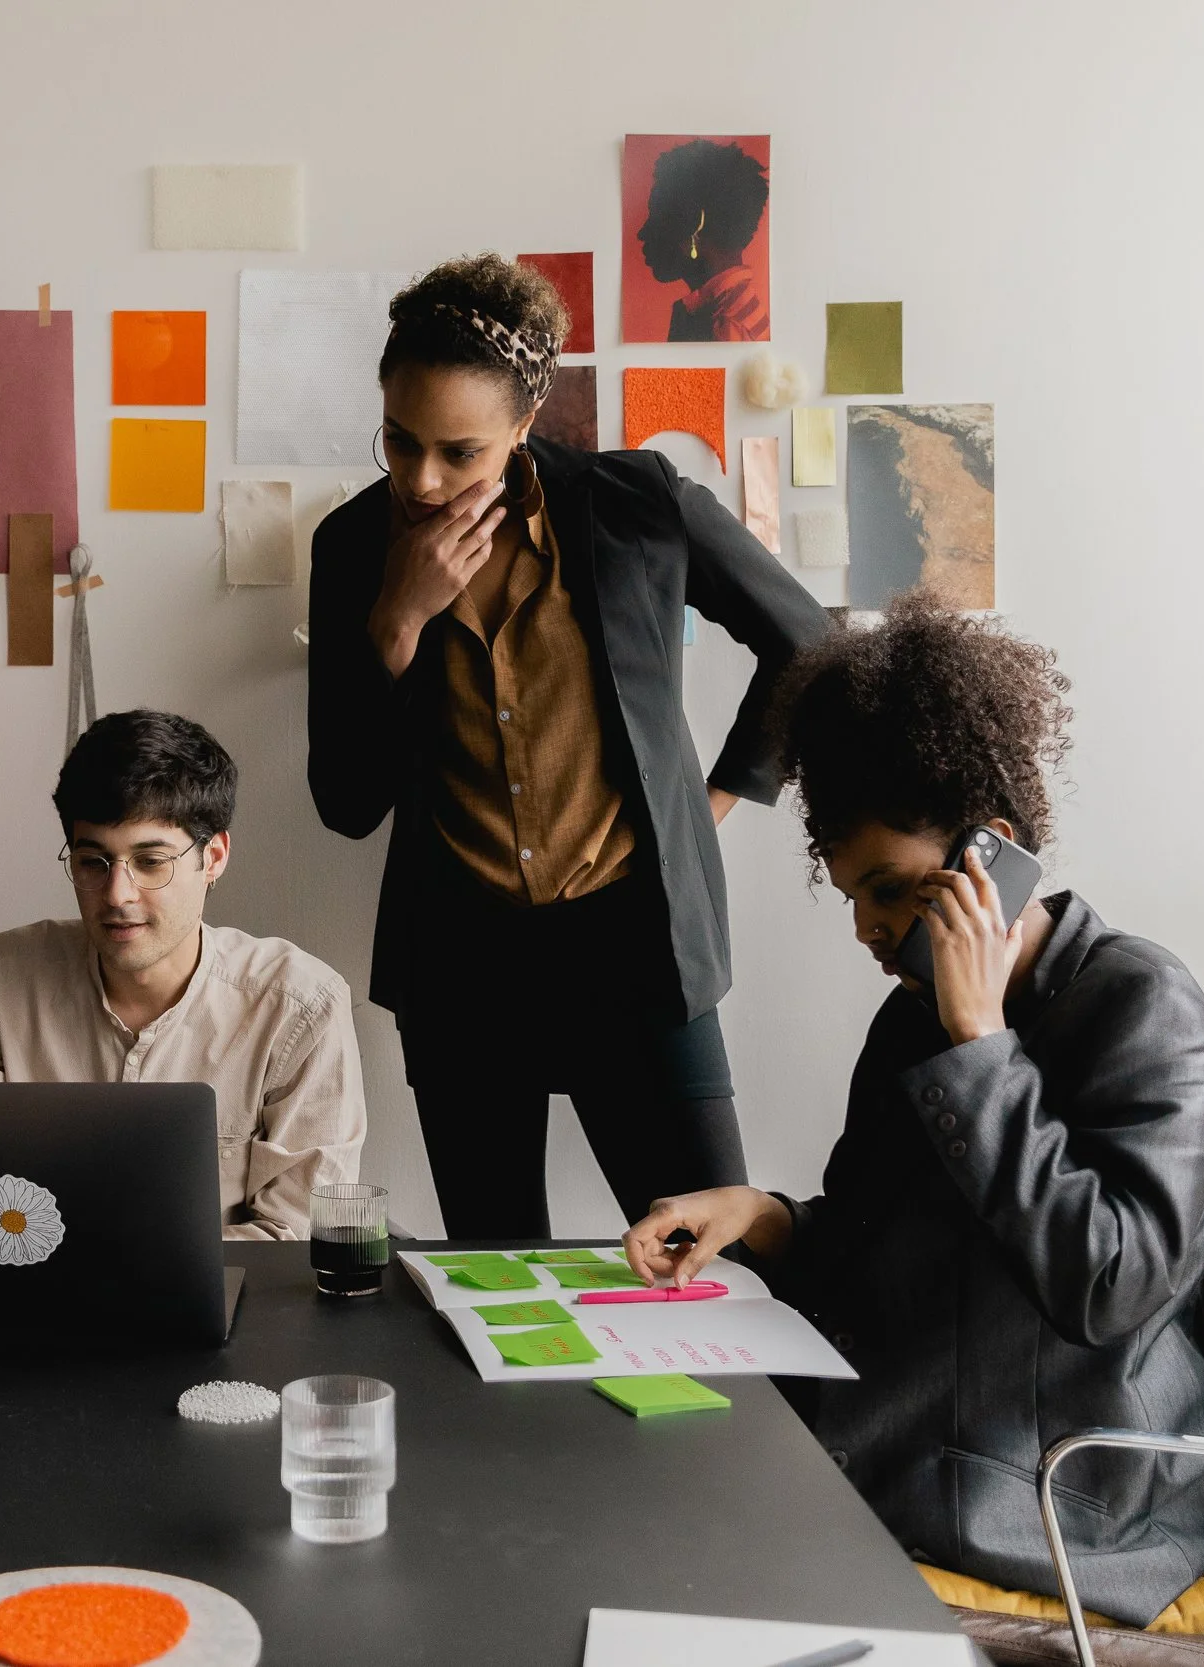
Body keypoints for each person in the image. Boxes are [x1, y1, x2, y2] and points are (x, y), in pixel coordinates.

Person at [621, 596, 1204, 1636]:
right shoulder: (911, 1018)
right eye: (850, 898)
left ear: (990, 850)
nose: (870, 929)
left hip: (1054, 1490)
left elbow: (1106, 1284)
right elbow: (883, 1242)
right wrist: (763, 1213)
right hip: (913, 1429)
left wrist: (981, 1047)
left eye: (889, 888)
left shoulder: (1143, 1002)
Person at [308, 253, 827, 1238]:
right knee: (498, 1276)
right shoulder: (350, 550)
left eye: (458, 451)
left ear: (522, 424)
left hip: (635, 947)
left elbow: (806, 642)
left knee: (699, 1260)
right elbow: (344, 799)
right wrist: (393, 628)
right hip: (460, 967)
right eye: (398, 440)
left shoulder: (637, 506)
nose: (421, 478)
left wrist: (713, 799)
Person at [0, 710, 366, 1240]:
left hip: (228, 1303)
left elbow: (298, 1233)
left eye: (151, 861)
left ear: (214, 858)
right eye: (94, 862)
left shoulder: (299, 1006)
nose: (117, 896)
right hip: (32, 1298)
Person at [633, 138, 771, 342]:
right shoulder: (719, 310)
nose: (642, 233)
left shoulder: (727, 327)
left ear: (695, 228)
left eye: (660, 218)